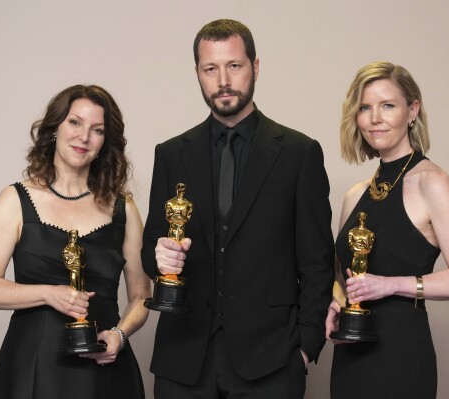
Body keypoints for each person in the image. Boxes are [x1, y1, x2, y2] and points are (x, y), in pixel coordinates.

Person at [141, 19, 334, 399]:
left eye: (234, 66)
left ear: (255, 67)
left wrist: (306, 348)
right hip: (183, 360)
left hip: (272, 361)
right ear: (197, 73)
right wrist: (158, 257)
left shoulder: (299, 153)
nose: (223, 80)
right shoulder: (171, 154)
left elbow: (317, 261)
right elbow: (151, 248)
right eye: (210, 69)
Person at [0, 84, 151, 399]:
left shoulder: (125, 209)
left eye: (97, 130)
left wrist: (120, 337)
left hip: (105, 370)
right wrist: (49, 294)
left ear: (105, 141)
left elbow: (140, 296)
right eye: (75, 122)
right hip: (32, 364)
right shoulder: (14, 199)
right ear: (55, 128)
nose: (84, 137)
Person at [325, 62, 449, 398]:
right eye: (365, 108)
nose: (374, 118)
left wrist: (389, 285)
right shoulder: (355, 195)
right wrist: (334, 304)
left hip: (401, 355)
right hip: (350, 356)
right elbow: (343, 280)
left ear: (412, 111)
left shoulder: (433, 182)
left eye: (388, 105)